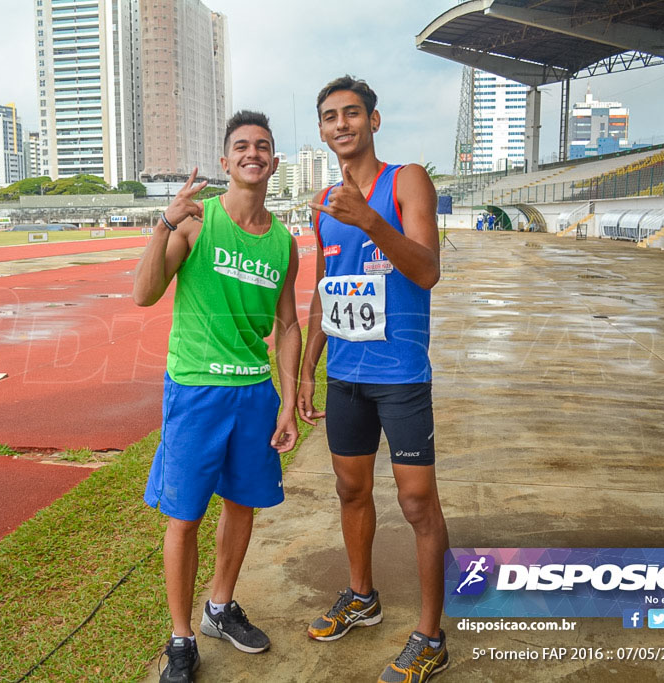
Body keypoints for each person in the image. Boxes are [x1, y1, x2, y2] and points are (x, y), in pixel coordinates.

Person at [133, 110, 301, 683]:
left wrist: (285, 399)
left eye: (262, 147)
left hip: (254, 393)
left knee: (242, 504)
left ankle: (219, 607)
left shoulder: (283, 242)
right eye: (241, 147)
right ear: (227, 161)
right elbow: (143, 293)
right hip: (197, 390)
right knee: (184, 516)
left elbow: (289, 325)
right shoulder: (198, 224)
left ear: (274, 163)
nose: (252, 154)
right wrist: (163, 223)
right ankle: (181, 638)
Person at [298, 75, 450, 683]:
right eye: (331, 117)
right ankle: (361, 596)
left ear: (373, 121)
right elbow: (321, 292)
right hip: (347, 376)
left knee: (417, 502)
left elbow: (428, 269)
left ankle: (431, 636)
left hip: (401, 374)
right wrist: (307, 371)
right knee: (351, 491)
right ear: (322, 130)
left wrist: (369, 220)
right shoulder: (321, 205)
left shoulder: (406, 179)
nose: (342, 125)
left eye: (352, 114)